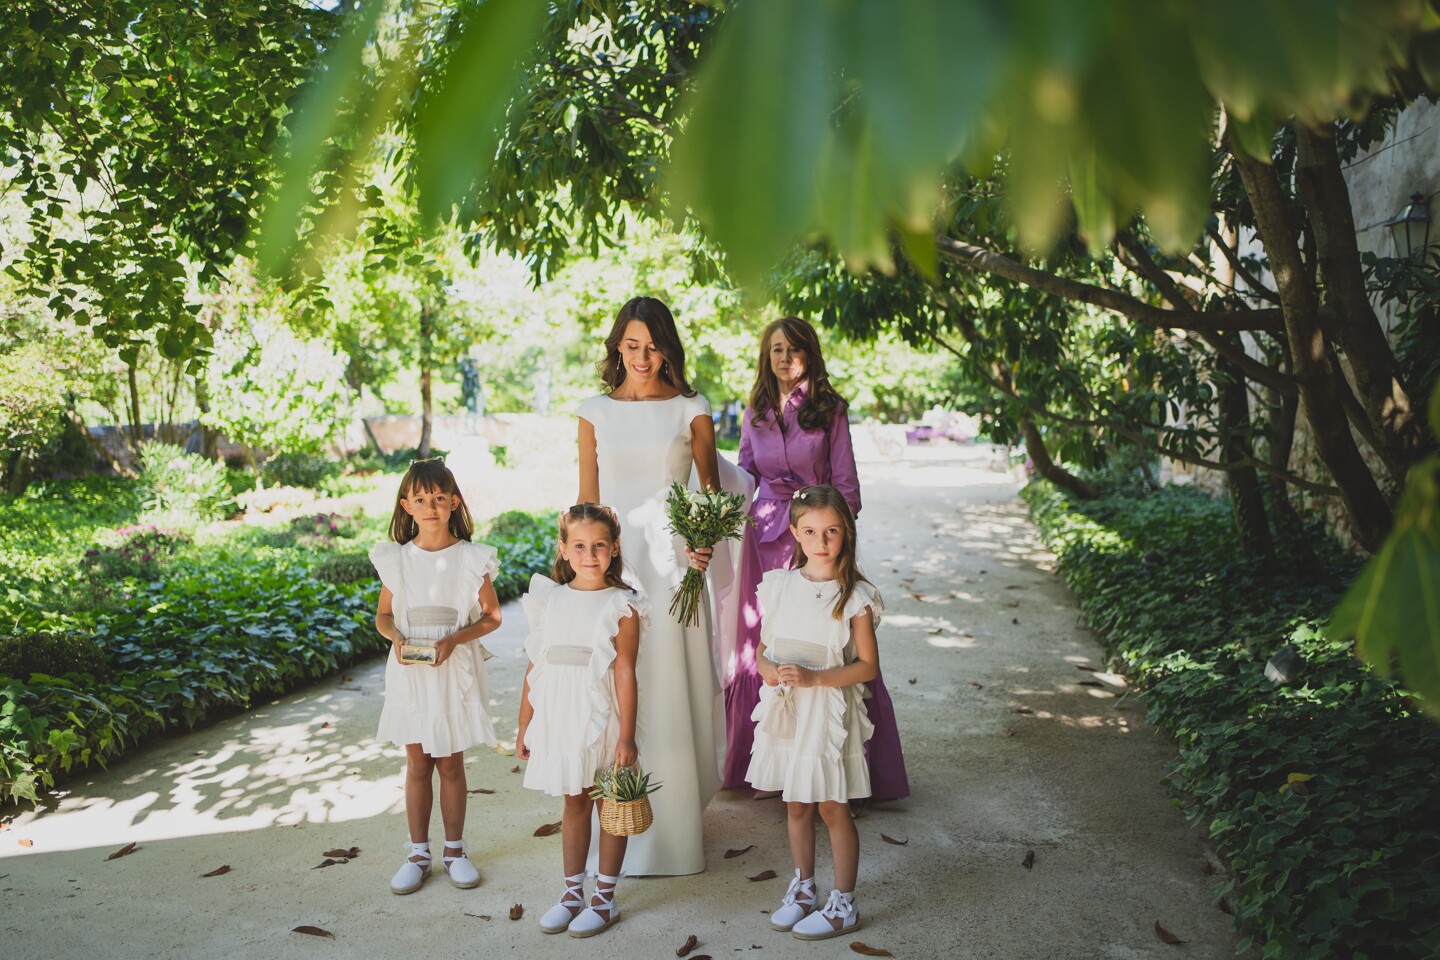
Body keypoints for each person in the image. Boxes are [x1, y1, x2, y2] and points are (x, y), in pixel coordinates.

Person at [723, 316, 908, 803]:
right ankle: (772, 766)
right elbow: (743, 472)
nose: (785, 357)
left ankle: (847, 773)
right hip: (765, 540)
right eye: (777, 349)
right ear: (767, 356)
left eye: (795, 348)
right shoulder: (756, 410)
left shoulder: (830, 409)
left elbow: (847, 485)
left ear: (811, 353)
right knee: (767, 645)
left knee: (830, 643)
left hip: (817, 539)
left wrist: (826, 536)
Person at [576, 296, 722, 876]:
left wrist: (703, 539)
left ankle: (676, 834)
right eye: (631, 345)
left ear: (668, 347)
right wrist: (582, 570)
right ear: (617, 346)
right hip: (612, 562)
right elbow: (584, 502)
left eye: (653, 345)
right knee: (616, 686)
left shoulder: (692, 407)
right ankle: (616, 828)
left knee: (666, 686)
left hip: (672, 565)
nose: (642, 356)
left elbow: (711, 493)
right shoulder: (593, 411)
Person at [747, 485, 881, 940]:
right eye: (810, 531)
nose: (821, 541)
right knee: (796, 801)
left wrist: (816, 679)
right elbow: (765, 647)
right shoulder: (780, 586)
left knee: (831, 804)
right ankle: (803, 887)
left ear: (846, 532)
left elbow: (868, 665)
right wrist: (766, 668)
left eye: (831, 531)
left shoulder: (854, 595)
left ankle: (844, 902)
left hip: (825, 709)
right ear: (794, 533)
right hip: (788, 708)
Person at [369, 458, 502, 895]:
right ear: (406, 505)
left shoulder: (470, 558)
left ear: (453, 502)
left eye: (439, 499)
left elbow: (491, 617)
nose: (430, 507)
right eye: (421, 499)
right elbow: (384, 616)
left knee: (450, 762)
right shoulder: (399, 560)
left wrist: (455, 639)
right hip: (411, 671)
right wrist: (397, 641)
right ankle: (418, 853)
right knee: (416, 763)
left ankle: (455, 851)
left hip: (452, 668)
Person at [518, 504, 646, 937]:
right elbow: (535, 665)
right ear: (563, 549)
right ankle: (572, 892)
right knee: (573, 801)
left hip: (602, 715)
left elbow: (626, 671)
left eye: (599, 546)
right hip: (559, 715)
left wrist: (626, 735)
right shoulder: (549, 599)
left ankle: (604, 898)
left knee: (611, 805)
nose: (589, 554)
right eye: (579, 545)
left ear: (613, 548)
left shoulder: (621, 606)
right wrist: (525, 723)